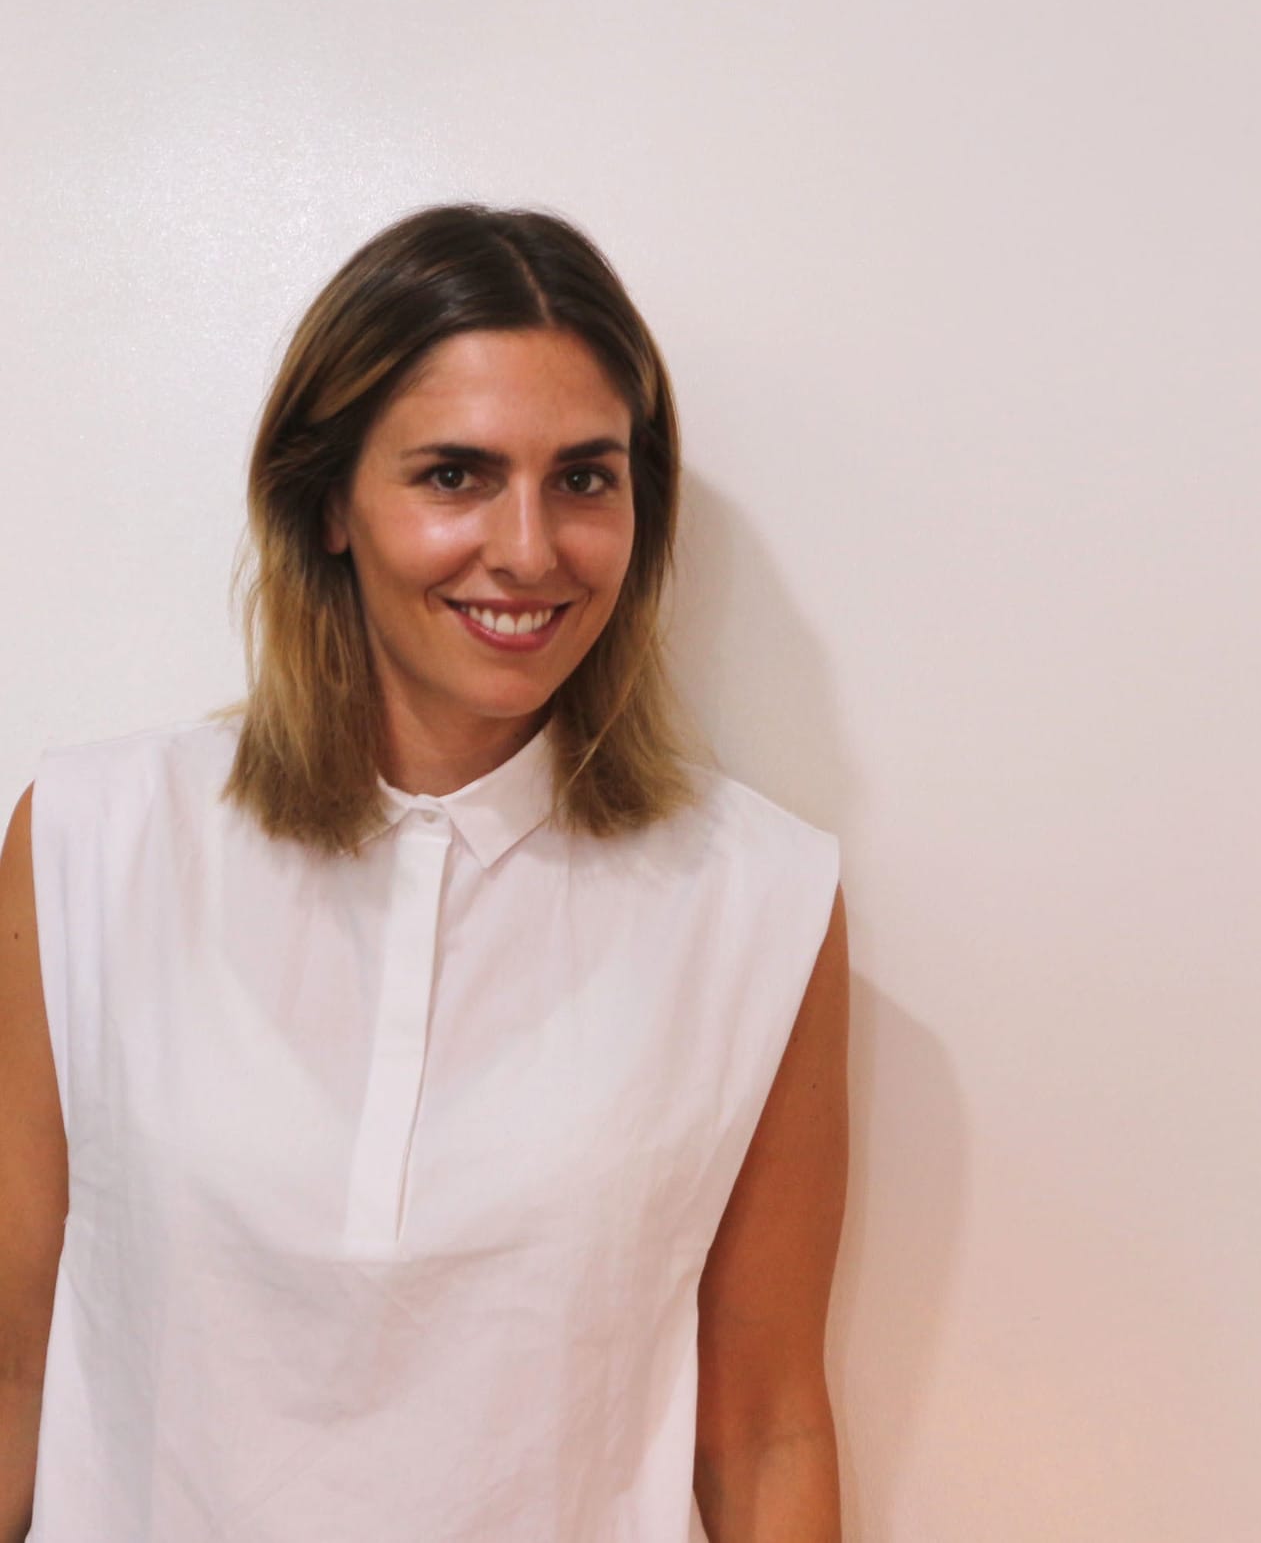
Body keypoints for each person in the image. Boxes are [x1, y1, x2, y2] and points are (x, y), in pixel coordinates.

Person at [0, 203, 851, 1542]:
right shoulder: (91, 842)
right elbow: (12, 1363)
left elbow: (764, 1428)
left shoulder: (758, 900)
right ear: (328, 501)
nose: (530, 549)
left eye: (585, 479)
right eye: (456, 474)